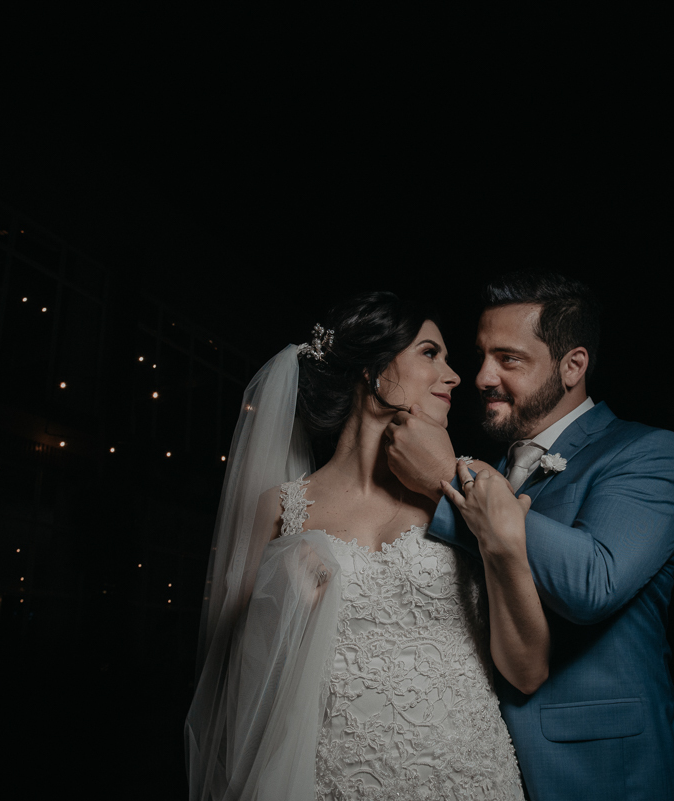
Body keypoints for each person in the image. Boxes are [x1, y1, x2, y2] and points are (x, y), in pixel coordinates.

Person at [185, 291, 547, 800]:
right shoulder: (279, 509)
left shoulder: (475, 487)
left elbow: (528, 670)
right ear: (372, 370)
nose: (455, 375)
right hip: (328, 776)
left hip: (466, 772)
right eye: (429, 353)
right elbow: (233, 685)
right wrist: (280, 607)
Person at [384, 272, 674, 800]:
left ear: (573, 365)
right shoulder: (490, 468)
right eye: (482, 355)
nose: (483, 376)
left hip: (602, 768)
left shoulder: (650, 454)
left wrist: (447, 476)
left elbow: (593, 581)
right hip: (478, 761)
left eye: (509, 359)